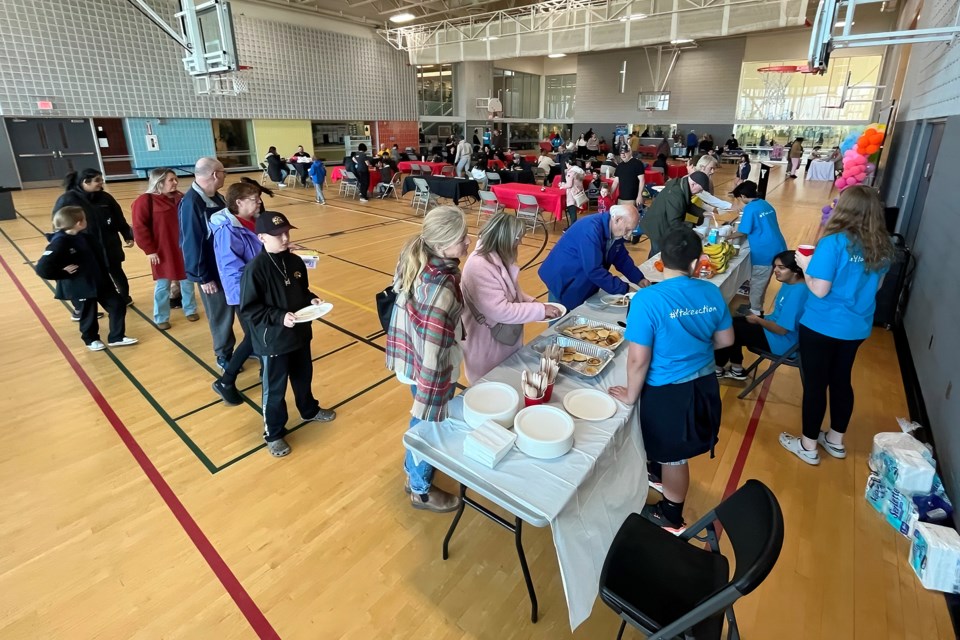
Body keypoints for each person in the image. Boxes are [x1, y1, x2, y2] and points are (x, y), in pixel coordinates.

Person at [609, 227, 734, 532]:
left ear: (660, 261)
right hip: (703, 385)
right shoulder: (710, 292)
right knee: (668, 451)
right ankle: (656, 470)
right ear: (696, 263)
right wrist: (694, 348)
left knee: (676, 459)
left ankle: (671, 515)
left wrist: (629, 395)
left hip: (668, 393)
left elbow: (638, 360)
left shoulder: (647, 300)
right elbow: (726, 339)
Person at [780, 186, 893, 465]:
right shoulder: (882, 246)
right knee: (841, 380)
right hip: (856, 327)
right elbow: (876, 287)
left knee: (816, 385)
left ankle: (807, 446)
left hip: (822, 325)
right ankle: (835, 440)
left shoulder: (834, 242)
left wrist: (805, 265)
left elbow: (819, 290)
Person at [385, 206, 471, 513]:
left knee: (422, 422)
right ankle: (419, 489)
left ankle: (414, 470)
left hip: (410, 356)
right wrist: (430, 401)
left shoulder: (420, 257)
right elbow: (434, 355)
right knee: (426, 423)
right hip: (427, 367)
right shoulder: (440, 289)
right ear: (441, 244)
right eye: (461, 238)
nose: (467, 242)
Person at [238, 211, 336, 457]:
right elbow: (250, 309)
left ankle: (309, 410)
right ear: (261, 237)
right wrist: (279, 316)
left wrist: (311, 298)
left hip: (300, 334)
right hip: (273, 341)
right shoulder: (255, 269)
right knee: (275, 389)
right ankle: (274, 433)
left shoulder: (295, 262)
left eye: (286, 232)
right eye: (277, 234)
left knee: (303, 378)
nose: (284, 238)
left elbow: (300, 290)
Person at [461, 213, 561, 383]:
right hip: (486, 345)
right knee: (490, 386)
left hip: (500, 340)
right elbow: (501, 311)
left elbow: (513, 292)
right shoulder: (479, 265)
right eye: (518, 238)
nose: (520, 243)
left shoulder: (496, 256)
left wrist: (532, 302)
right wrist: (540, 310)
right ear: (505, 238)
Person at [36, 206, 137, 351]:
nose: (86, 220)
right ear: (78, 223)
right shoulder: (60, 242)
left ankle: (116, 337)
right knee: (88, 314)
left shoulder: (85, 236)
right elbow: (42, 268)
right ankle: (91, 339)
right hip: (81, 285)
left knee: (117, 305)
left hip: (100, 280)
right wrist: (63, 273)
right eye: (84, 218)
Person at [209, 182, 264, 406]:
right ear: (239, 203)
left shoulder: (251, 222)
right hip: (246, 292)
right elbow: (232, 268)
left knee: (258, 334)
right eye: (254, 199)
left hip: (259, 287)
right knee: (254, 336)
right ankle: (226, 381)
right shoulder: (228, 230)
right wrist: (250, 292)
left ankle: (265, 369)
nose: (259, 201)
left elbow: (259, 252)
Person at [715, 250, 808, 379]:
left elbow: (782, 330)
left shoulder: (798, 294)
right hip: (774, 330)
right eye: (775, 266)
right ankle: (735, 369)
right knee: (731, 323)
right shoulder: (791, 283)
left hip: (782, 342)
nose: (775, 270)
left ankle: (717, 368)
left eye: (781, 268)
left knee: (728, 329)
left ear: (796, 270)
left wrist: (758, 320)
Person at [179, 157, 235, 370]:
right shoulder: (192, 203)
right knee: (220, 315)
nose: (224, 176)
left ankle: (249, 349)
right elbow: (190, 242)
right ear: (215, 174)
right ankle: (224, 355)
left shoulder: (217, 198)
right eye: (224, 172)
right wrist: (202, 277)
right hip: (211, 272)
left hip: (228, 267)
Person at [538, 205, 650, 309]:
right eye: (628, 229)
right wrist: (626, 289)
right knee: (560, 319)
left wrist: (639, 278)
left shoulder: (616, 231)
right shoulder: (591, 229)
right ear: (617, 220)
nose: (629, 235)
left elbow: (621, 259)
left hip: (581, 279)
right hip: (564, 280)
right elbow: (594, 270)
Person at [53, 168, 134, 307]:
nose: (101, 182)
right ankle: (83, 308)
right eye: (97, 180)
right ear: (85, 182)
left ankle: (124, 298)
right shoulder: (67, 199)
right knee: (89, 276)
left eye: (101, 179)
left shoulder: (106, 198)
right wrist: (61, 248)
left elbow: (118, 217)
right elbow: (57, 225)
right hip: (85, 248)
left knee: (116, 271)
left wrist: (127, 235)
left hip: (110, 245)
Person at [131, 168, 198, 330]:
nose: (175, 182)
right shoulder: (145, 201)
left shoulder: (181, 197)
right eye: (171, 180)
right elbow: (139, 228)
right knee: (163, 284)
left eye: (176, 179)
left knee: (187, 281)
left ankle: (190, 309)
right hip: (162, 250)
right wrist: (149, 250)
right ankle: (161, 316)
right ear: (159, 182)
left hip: (183, 248)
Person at [731, 180, 787, 315]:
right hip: (778, 246)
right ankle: (756, 305)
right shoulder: (764, 203)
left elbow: (743, 231)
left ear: (743, 196)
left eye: (740, 198)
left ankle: (755, 312)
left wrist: (725, 236)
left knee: (758, 282)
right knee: (763, 281)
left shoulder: (750, 208)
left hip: (764, 251)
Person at [642, 171, 710, 258]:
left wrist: (703, 213)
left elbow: (686, 204)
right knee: (657, 255)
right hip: (657, 227)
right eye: (700, 190)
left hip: (659, 223)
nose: (699, 193)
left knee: (657, 252)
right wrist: (693, 227)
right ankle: (649, 271)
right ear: (693, 184)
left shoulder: (682, 185)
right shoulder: (676, 194)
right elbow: (674, 222)